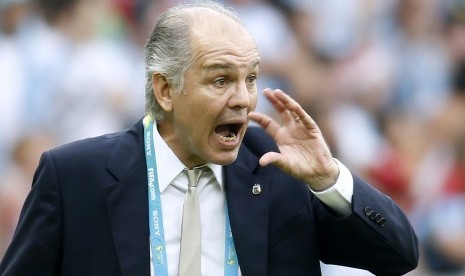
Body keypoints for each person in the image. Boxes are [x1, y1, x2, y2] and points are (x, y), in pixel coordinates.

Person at [0, 1, 418, 275]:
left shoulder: (280, 170)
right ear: (165, 90)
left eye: (251, 79)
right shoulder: (76, 176)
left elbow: (398, 254)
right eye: (221, 79)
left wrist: (328, 177)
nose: (242, 99)